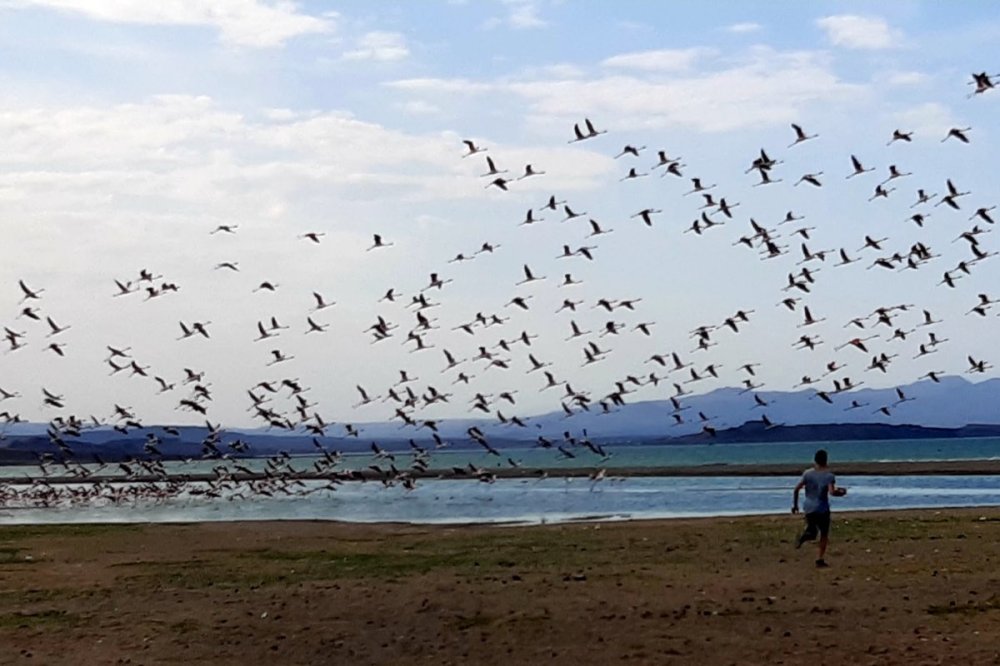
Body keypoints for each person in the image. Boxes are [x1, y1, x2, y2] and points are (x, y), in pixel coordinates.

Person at [792, 449, 846, 568]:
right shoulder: (829, 476)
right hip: (822, 508)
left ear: (815, 460)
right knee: (824, 534)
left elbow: (796, 489)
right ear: (826, 461)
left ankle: (805, 536)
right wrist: (841, 492)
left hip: (809, 507)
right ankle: (820, 558)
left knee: (812, 532)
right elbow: (832, 492)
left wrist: (795, 505)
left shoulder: (807, 473)